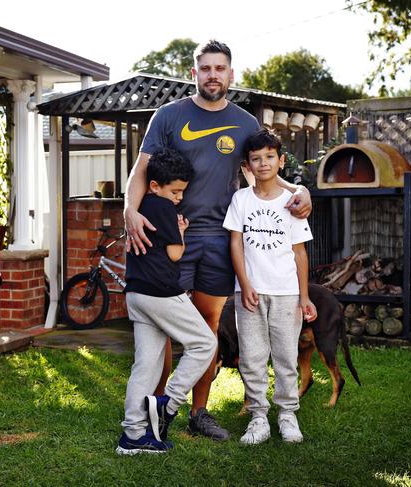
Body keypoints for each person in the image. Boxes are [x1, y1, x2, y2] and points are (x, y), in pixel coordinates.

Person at [124, 39, 312, 441]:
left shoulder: (245, 123)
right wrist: (129, 212)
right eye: (205, 68)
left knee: (207, 327)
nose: (213, 75)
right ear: (194, 73)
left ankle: (199, 412)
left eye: (220, 68)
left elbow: (262, 171)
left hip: (220, 238)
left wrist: (299, 189)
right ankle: (158, 408)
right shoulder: (168, 116)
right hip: (172, 234)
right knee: (163, 327)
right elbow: (141, 171)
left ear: (231, 73)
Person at [117, 148, 216, 455]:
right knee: (204, 343)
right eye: (175, 191)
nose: (179, 198)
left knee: (145, 364)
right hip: (161, 292)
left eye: (182, 192)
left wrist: (176, 231)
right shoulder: (162, 207)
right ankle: (167, 404)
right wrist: (181, 233)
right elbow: (175, 254)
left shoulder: (142, 206)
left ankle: (133, 434)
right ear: (155, 186)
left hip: (136, 294)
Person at [223, 128, 317, 444]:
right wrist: (245, 283)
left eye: (269, 157)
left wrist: (305, 296)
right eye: (256, 159)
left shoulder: (293, 202)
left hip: (287, 292)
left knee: (286, 356)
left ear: (280, 160)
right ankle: (259, 417)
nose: (263, 163)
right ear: (248, 165)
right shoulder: (241, 199)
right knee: (251, 356)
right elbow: (235, 244)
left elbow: (300, 252)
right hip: (249, 291)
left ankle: (288, 415)